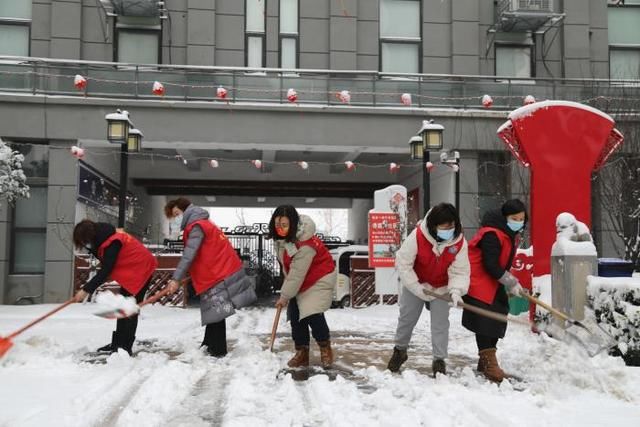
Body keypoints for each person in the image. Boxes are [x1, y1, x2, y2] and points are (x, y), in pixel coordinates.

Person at [164, 198, 256, 357]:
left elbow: (189, 255)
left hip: (218, 273)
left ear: (186, 210)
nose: (177, 218)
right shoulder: (203, 223)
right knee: (214, 311)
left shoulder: (197, 226)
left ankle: (218, 349)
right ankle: (209, 344)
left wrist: (176, 278)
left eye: (177, 214)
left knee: (217, 311)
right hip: (216, 273)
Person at [386, 203, 470, 376]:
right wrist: (417, 287)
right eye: (444, 226)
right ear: (433, 225)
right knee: (407, 318)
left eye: (452, 226)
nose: (449, 230)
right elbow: (403, 263)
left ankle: (439, 360)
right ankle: (399, 350)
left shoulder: (459, 242)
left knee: (440, 324)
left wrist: (456, 291)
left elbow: (460, 270)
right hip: (416, 281)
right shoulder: (418, 236)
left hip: (442, 286)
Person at [462, 198, 528, 383]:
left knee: (498, 314)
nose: (519, 222)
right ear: (504, 217)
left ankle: (485, 361)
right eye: (514, 218)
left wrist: (509, 282)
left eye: (522, 218)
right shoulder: (492, 234)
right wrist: (511, 281)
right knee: (486, 320)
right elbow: (490, 264)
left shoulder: (506, 234)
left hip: (492, 282)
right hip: (478, 281)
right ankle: (489, 363)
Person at [73, 220, 158, 355]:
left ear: (90, 236)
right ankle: (118, 343)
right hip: (133, 269)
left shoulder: (113, 242)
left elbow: (106, 269)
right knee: (123, 307)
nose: (85, 246)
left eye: (85, 242)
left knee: (130, 309)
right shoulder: (102, 239)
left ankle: (125, 347)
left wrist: (86, 290)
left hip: (141, 269)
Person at [270, 205, 337, 369]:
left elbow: (297, 273)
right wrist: (289, 292)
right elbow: (292, 270)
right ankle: (302, 352)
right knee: (295, 315)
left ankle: (325, 348)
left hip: (318, 278)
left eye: (284, 225)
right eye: (278, 225)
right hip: (301, 279)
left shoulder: (305, 243)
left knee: (312, 313)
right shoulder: (283, 240)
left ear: (293, 223)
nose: (280, 229)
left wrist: (284, 296)